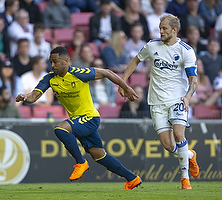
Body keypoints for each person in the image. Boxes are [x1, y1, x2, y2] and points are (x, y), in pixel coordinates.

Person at [16, 46, 142, 190]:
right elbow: (33, 97)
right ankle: (132, 179)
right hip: (79, 121)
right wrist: (25, 97)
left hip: (90, 117)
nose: (52, 65)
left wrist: (126, 87)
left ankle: (81, 163)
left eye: (55, 62)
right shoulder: (50, 79)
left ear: (66, 60)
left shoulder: (79, 73)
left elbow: (107, 72)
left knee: (60, 129)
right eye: (51, 62)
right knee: (99, 155)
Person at [118, 14, 199, 189]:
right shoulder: (152, 46)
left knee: (178, 135)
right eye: (160, 28)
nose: (160, 31)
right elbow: (135, 61)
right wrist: (123, 82)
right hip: (156, 101)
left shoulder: (186, 50)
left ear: (174, 30)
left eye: (164, 29)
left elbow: (193, 79)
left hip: (178, 99)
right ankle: (190, 155)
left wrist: (187, 97)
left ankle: (185, 180)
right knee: (168, 145)